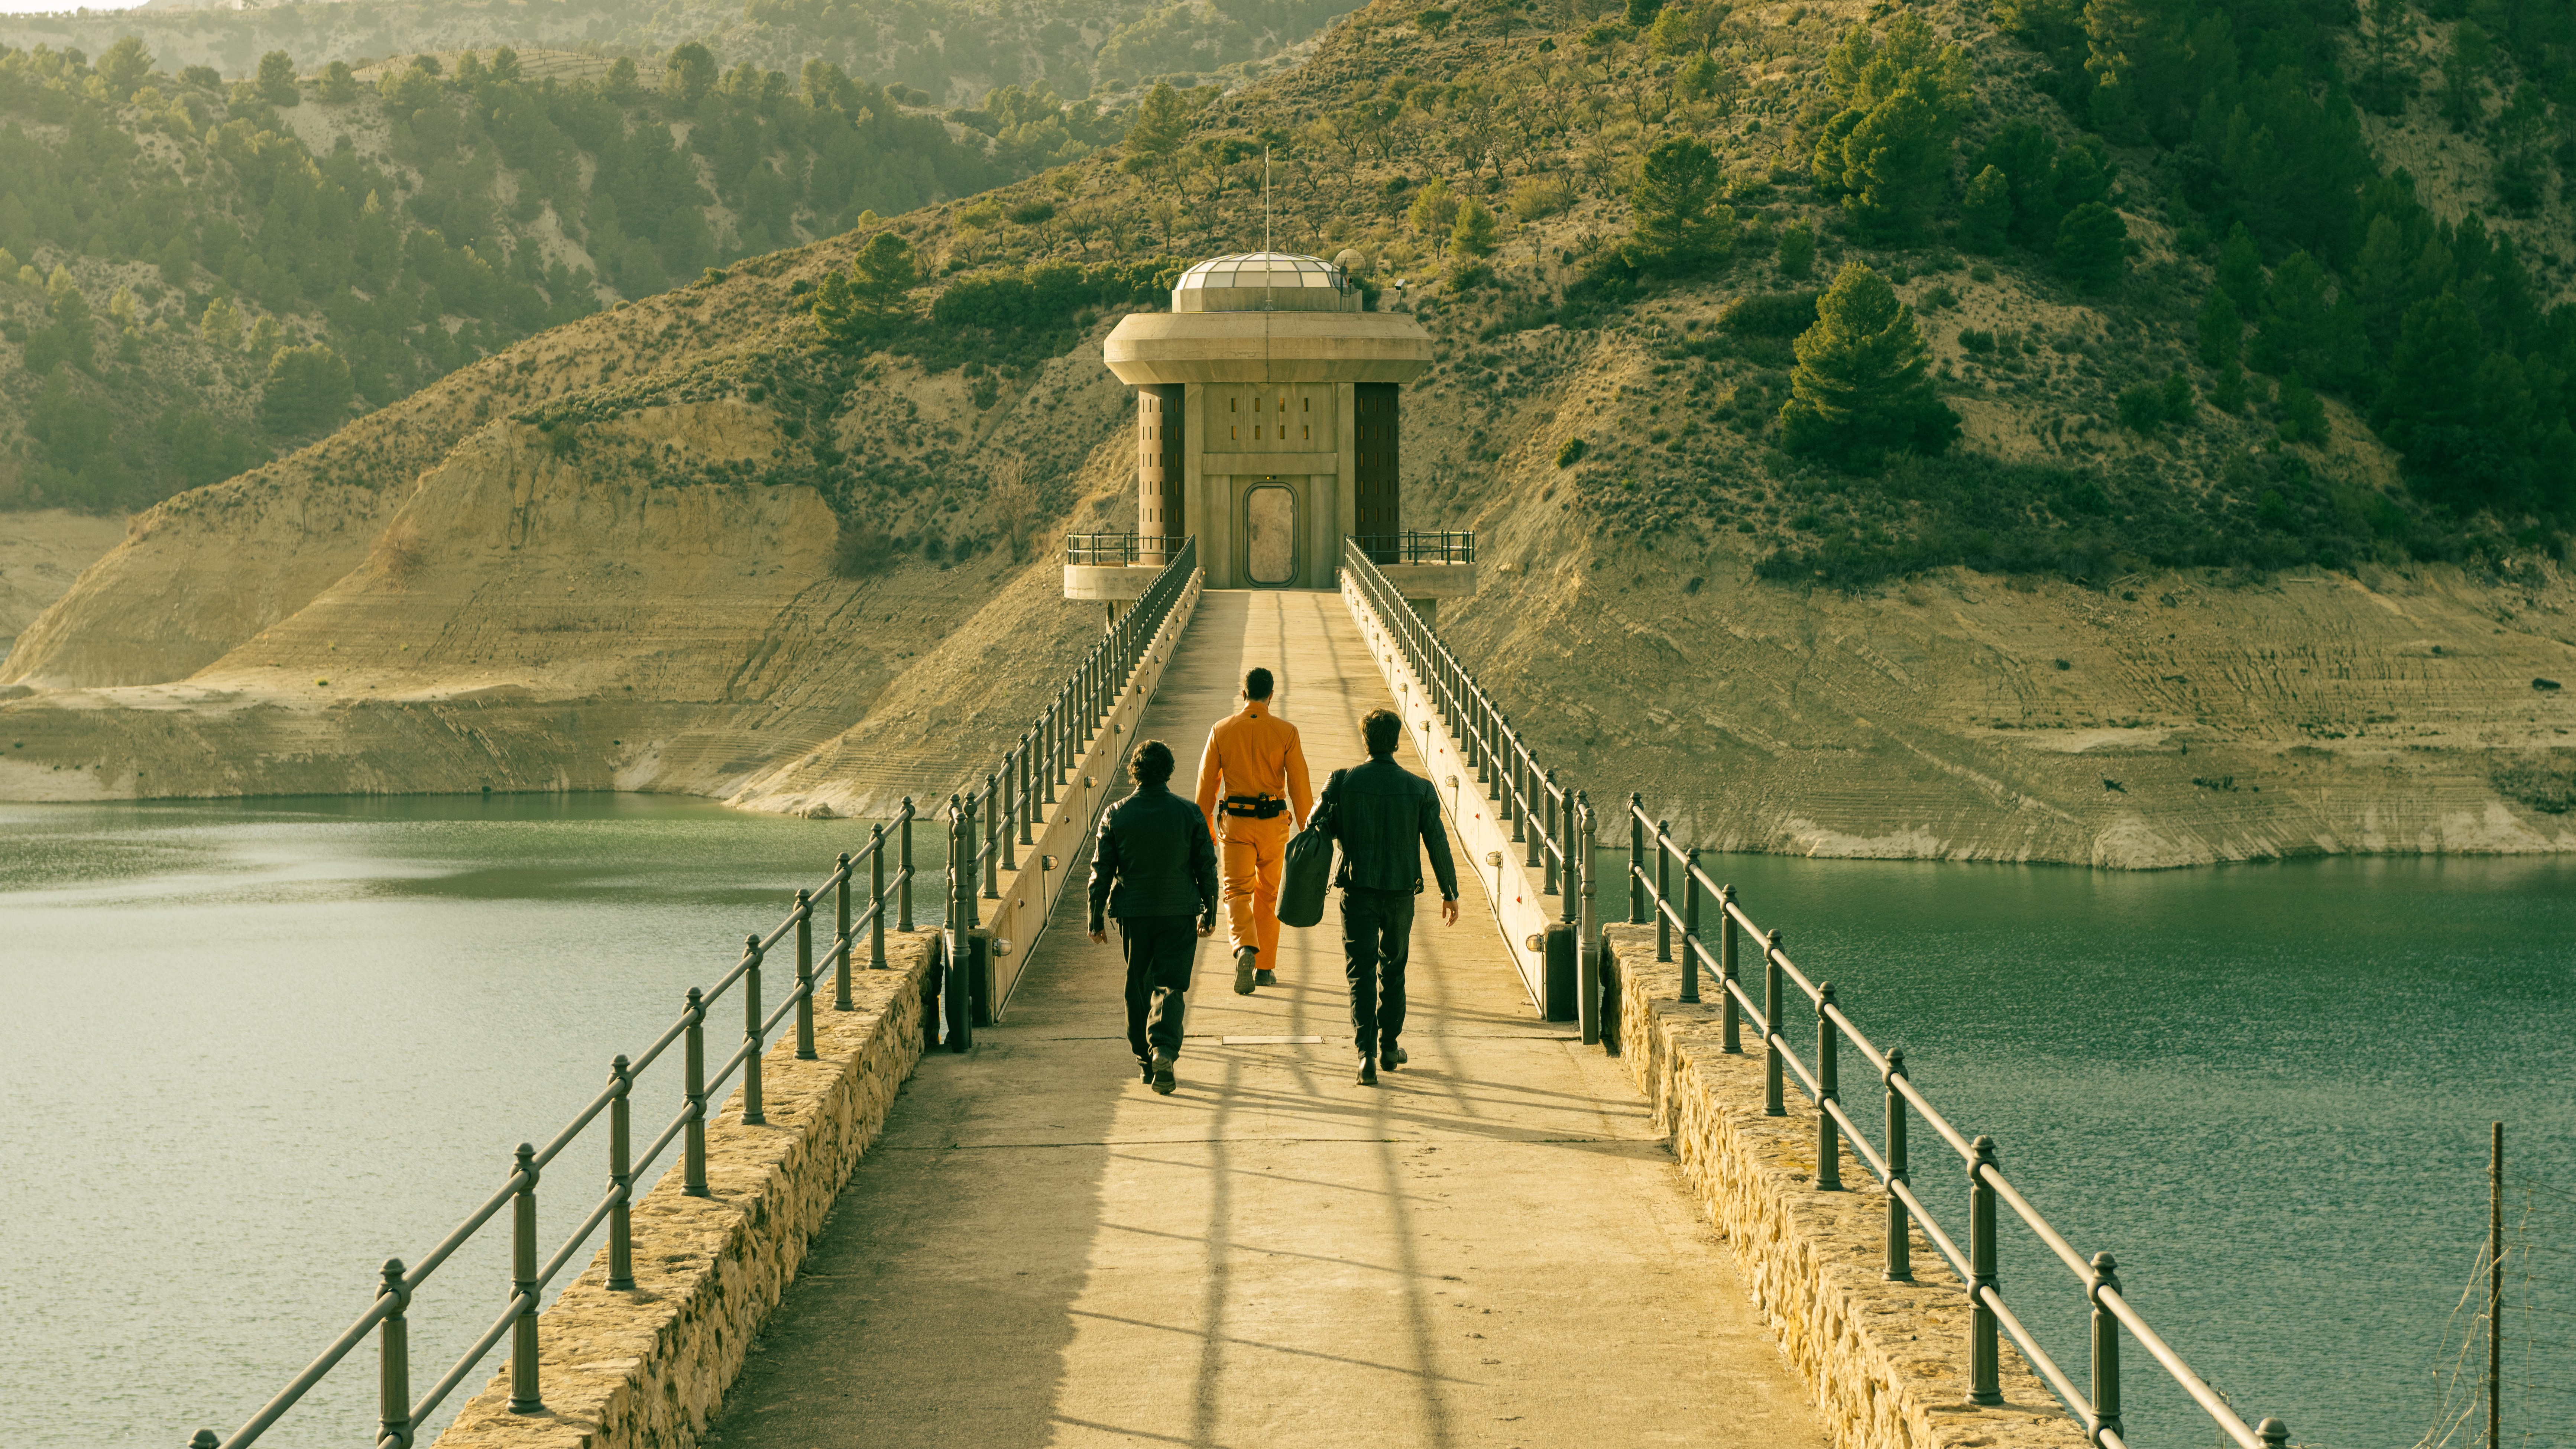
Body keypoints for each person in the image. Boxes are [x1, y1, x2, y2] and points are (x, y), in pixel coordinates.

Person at [1320, 707, 1458, 1086]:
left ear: (1365, 740)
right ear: (1396, 742)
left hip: (1358, 891)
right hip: (1400, 894)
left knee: (1360, 972)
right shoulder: (1420, 788)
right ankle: (1389, 1047)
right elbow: (1437, 843)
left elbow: (1319, 827)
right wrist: (1449, 892)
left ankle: (1364, 1056)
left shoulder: (1342, 781)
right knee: (1393, 970)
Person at [1088, 739, 1219, 1096]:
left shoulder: (1116, 814)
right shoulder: (1190, 813)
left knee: (1139, 985)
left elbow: (1101, 871)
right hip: (1179, 911)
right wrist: (1210, 910)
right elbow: (1206, 867)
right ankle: (1163, 1048)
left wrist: (1094, 918)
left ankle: (1146, 1063)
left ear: (1135, 772)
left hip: (1135, 913)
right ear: (1169, 771)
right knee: (1171, 984)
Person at [1195, 666, 1312, 996]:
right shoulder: (1286, 732)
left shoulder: (1221, 730)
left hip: (1235, 823)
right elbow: (1299, 785)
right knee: (1269, 893)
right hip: (1274, 825)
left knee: (1236, 892)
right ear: (1271, 695)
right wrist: (1308, 829)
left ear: (1243, 693)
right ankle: (1264, 969)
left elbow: (1207, 785)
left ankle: (1245, 947)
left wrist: (1205, 827)